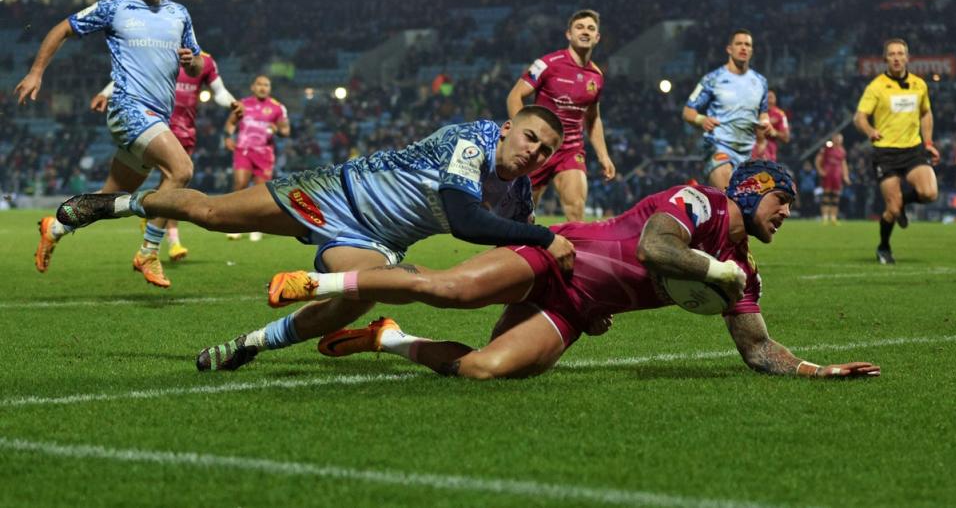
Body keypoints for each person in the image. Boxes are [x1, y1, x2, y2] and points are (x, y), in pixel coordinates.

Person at [56, 106, 576, 370]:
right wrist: (543, 235)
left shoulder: (519, 197)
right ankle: (108, 204)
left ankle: (248, 345)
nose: (534, 152)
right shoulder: (474, 140)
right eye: (530, 137)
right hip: (333, 194)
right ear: (508, 128)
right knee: (212, 213)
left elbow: (510, 254)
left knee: (356, 297)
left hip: (377, 240)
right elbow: (465, 219)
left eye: (546, 150)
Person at [268, 160, 879, 381]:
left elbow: (756, 349)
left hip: (576, 308)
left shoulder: (741, 269)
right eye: (783, 201)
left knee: (482, 370)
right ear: (752, 192)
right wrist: (715, 270)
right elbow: (654, 250)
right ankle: (319, 284)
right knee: (451, 290)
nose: (787, 215)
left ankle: (388, 337)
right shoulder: (702, 204)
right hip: (557, 256)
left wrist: (816, 369)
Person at [16, 0, 203, 288]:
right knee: (181, 170)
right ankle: (149, 251)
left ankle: (54, 227)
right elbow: (63, 29)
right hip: (129, 108)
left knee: (104, 201)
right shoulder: (115, 9)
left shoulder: (179, 14)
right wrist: (36, 72)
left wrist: (193, 61)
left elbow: (199, 60)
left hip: (157, 117)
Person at [91, 52, 243, 260]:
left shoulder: (204, 62)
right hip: (153, 126)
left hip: (185, 131)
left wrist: (232, 103)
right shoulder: (159, 51)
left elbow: (219, 92)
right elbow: (130, 74)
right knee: (169, 182)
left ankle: (62, 223)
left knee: (171, 185)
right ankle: (160, 236)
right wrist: (105, 93)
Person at [506, 9, 615, 221]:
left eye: (591, 28)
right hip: (539, 148)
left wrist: (603, 155)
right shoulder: (548, 64)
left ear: (597, 37)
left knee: (576, 209)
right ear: (569, 34)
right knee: (523, 216)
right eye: (580, 27)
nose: (585, 32)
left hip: (571, 149)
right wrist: (523, 136)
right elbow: (514, 96)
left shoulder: (596, 76)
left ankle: (573, 254)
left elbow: (592, 118)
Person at [853, 38, 940, 265]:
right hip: (886, 152)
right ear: (885, 59)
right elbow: (859, 117)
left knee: (930, 193)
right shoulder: (876, 86)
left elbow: (926, 113)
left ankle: (903, 203)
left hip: (913, 149)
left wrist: (928, 143)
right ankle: (884, 247)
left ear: (907, 57)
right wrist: (870, 130)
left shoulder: (919, 85)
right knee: (891, 209)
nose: (896, 58)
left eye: (900, 53)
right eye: (891, 54)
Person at [683, 29, 770, 189]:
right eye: (739, 44)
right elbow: (688, 111)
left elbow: (763, 112)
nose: (743, 48)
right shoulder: (713, 79)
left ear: (751, 50)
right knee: (728, 197)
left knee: (749, 208)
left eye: (747, 44)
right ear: (729, 49)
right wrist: (701, 119)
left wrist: (765, 121)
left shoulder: (760, 82)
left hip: (748, 152)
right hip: (719, 147)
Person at [223, 75, 290, 241]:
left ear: (270, 88)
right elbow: (231, 123)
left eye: (266, 85)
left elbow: (286, 131)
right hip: (243, 150)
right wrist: (228, 137)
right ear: (253, 87)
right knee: (240, 185)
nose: (263, 88)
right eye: (259, 84)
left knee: (259, 192)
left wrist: (277, 129)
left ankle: (257, 226)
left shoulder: (277, 108)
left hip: (265, 153)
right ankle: (235, 225)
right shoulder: (243, 104)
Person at [814, 134, 851, 225]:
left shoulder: (842, 151)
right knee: (826, 196)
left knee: (835, 197)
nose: (838, 140)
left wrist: (846, 176)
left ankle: (833, 217)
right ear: (833, 139)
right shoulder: (827, 148)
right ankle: (825, 217)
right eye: (837, 138)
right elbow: (818, 159)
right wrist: (820, 170)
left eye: (840, 139)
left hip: (837, 176)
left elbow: (843, 164)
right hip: (828, 175)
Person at [751, 90, 790, 161]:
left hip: (769, 153)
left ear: (775, 99)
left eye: (771, 97)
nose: (769, 101)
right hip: (751, 150)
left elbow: (786, 138)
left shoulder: (780, 115)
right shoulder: (754, 112)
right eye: (766, 98)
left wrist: (775, 132)